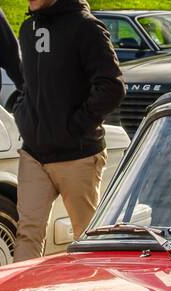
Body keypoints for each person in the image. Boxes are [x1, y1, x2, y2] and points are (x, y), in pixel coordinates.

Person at [12, 0, 124, 261]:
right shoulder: (28, 28)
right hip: (34, 155)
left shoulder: (87, 28)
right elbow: (26, 85)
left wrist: (73, 127)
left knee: (87, 238)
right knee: (27, 232)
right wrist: (23, 115)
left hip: (78, 155)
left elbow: (112, 87)